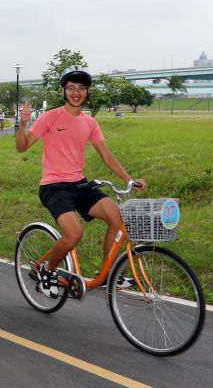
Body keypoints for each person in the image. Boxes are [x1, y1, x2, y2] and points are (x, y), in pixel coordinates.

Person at [15, 66, 146, 299]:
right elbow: (22, 147)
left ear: (87, 92)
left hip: (80, 184)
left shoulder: (89, 123)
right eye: (71, 88)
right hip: (54, 187)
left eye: (81, 88)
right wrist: (22, 124)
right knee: (74, 234)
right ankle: (48, 270)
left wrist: (129, 179)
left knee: (117, 218)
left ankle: (107, 274)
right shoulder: (50, 117)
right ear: (64, 91)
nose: (76, 92)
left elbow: (107, 156)